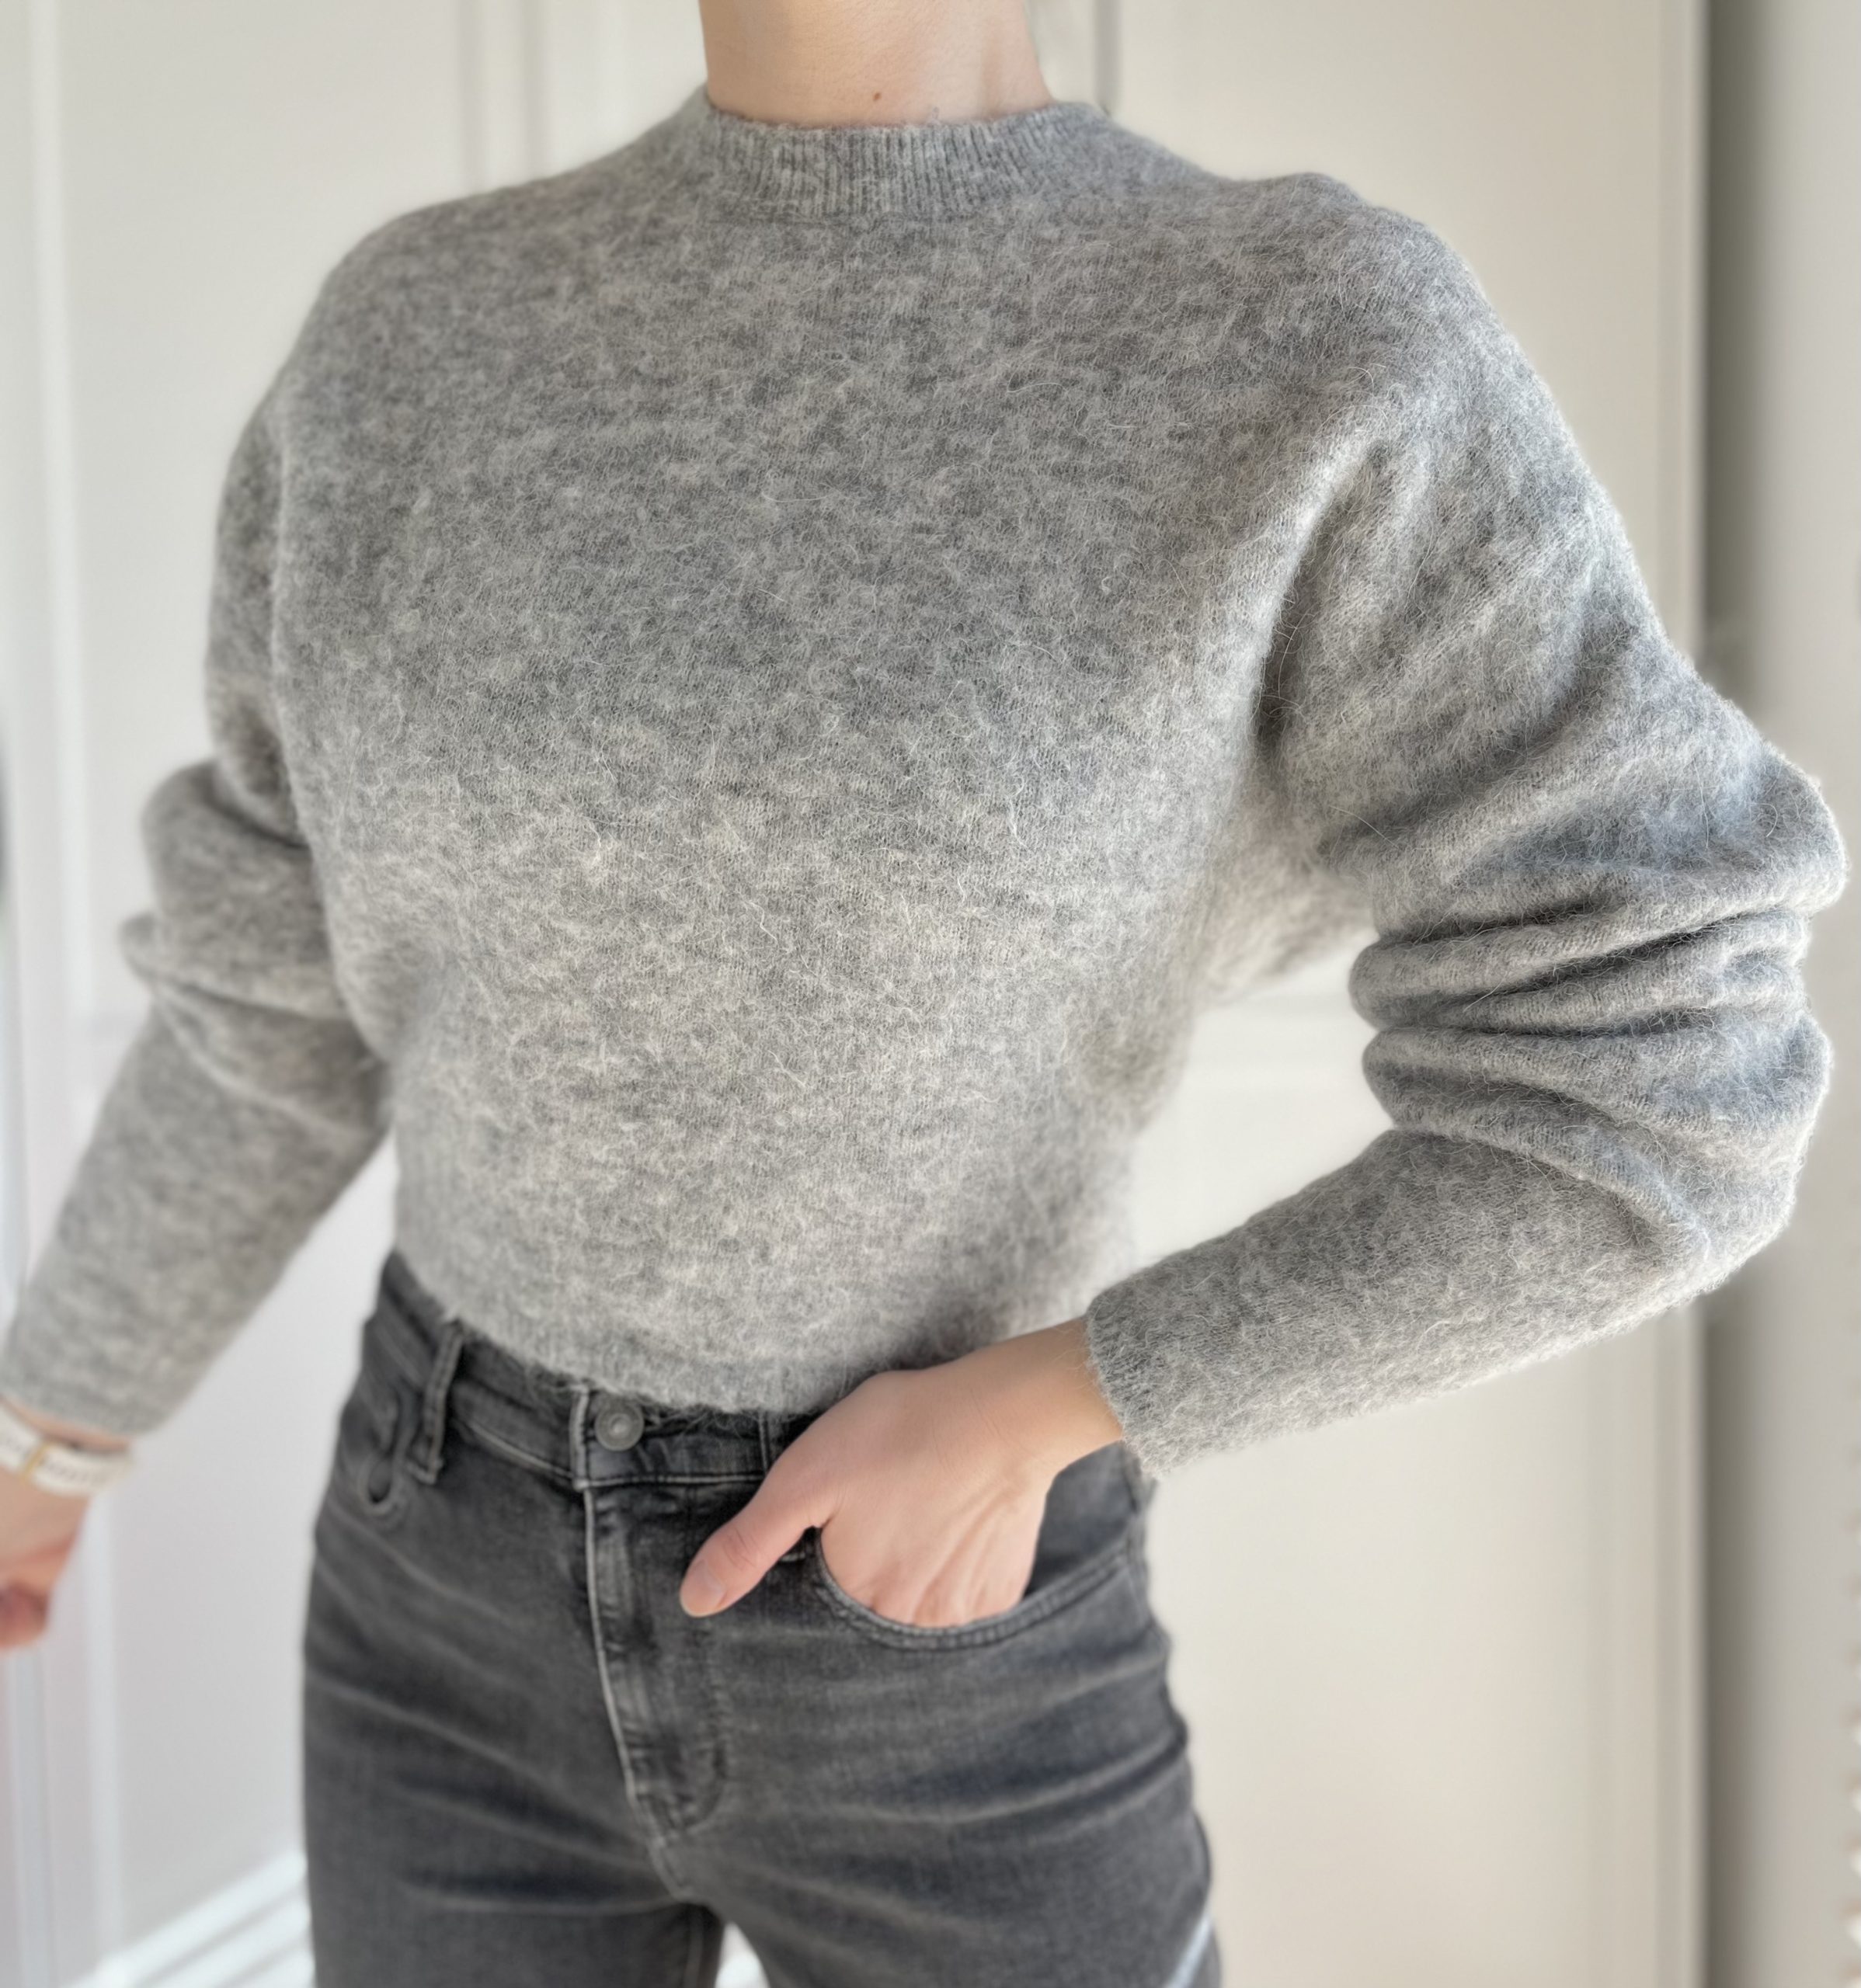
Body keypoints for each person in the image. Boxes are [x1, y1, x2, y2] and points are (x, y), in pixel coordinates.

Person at [0, 0, 1846, 1981]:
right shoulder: (410, 336)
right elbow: (266, 997)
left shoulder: (1310, 346)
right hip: (432, 1582)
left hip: (949, 1641)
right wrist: (49, 1424)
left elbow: (1665, 1077)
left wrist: (1058, 1403)